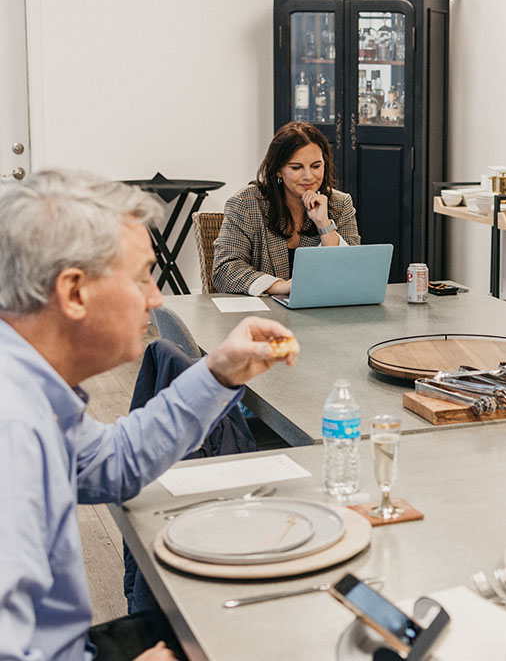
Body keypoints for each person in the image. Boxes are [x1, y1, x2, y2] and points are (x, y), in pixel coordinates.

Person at [0, 171, 299, 661]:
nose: (156, 297)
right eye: (141, 276)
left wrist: (218, 372)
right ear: (74, 292)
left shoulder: (27, 386)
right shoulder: (11, 429)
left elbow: (113, 462)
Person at [212, 121, 359, 296]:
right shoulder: (246, 203)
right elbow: (225, 270)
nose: (308, 176)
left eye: (316, 166)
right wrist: (278, 286)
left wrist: (324, 225)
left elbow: (352, 272)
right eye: (296, 167)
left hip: (323, 314)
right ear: (278, 170)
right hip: (263, 316)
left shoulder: (340, 203)